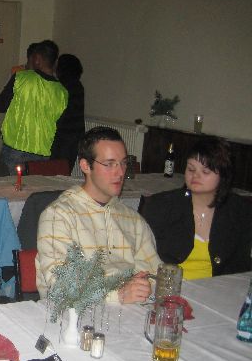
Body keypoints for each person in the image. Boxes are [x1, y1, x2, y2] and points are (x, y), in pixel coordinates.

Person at [36, 127, 161, 303]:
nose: (120, 172)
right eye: (109, 164)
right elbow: (62, 288)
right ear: (85, 166)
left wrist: (143, 285)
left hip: (129, 312)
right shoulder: (58, 216)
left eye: (123, 163)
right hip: (72, 315)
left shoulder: (133, 220)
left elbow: (154, 274)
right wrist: (118, 295)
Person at [141, 136, 252, 279]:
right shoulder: (162, 206)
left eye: (205, 172)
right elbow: (144, 258)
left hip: (219, 287)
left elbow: (240, 266)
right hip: (169, 285)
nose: (195, 176)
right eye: (191, 169)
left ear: (223, 175)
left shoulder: (239, 211)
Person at [0, 40, 68, 174]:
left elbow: (0, 105)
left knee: (6, 184)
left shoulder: (21, 78)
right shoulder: (62, 92)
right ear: (55, 62)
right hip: (43, 153)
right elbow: (60, 125)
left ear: (37, 59)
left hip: (15, 148)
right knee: (34, 186)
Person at [50, 54, 85, 172]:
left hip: (62, 136)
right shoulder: (77, 85)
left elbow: (59, 113)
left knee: (54, 170)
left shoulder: (62, 86)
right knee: (64, 170)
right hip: (75, 136)